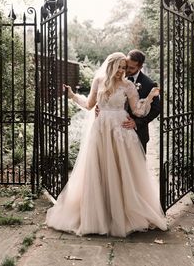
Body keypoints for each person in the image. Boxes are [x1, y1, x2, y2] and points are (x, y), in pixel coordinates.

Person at [46, 52, 167, 237]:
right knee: (98, 170)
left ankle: (122, 213)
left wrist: (149, 97)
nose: (121, 71)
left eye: (124, 68)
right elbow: (89, 105)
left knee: (122, 172)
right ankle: (98, 214)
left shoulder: (129, 85)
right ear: (110, 65)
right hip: (100, 130)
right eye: (119, 67)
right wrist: (72, 95)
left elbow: (138, 111)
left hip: (121, 131)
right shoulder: (99, 81)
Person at [122, 49, 160, 153]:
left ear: (140, 67)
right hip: (117, 130)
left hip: (138, 133)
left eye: (132, 68)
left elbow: (156, 109)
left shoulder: (149, 84)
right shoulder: (117, 76)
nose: (127, 70)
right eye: (127, 66)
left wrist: (136, 123)